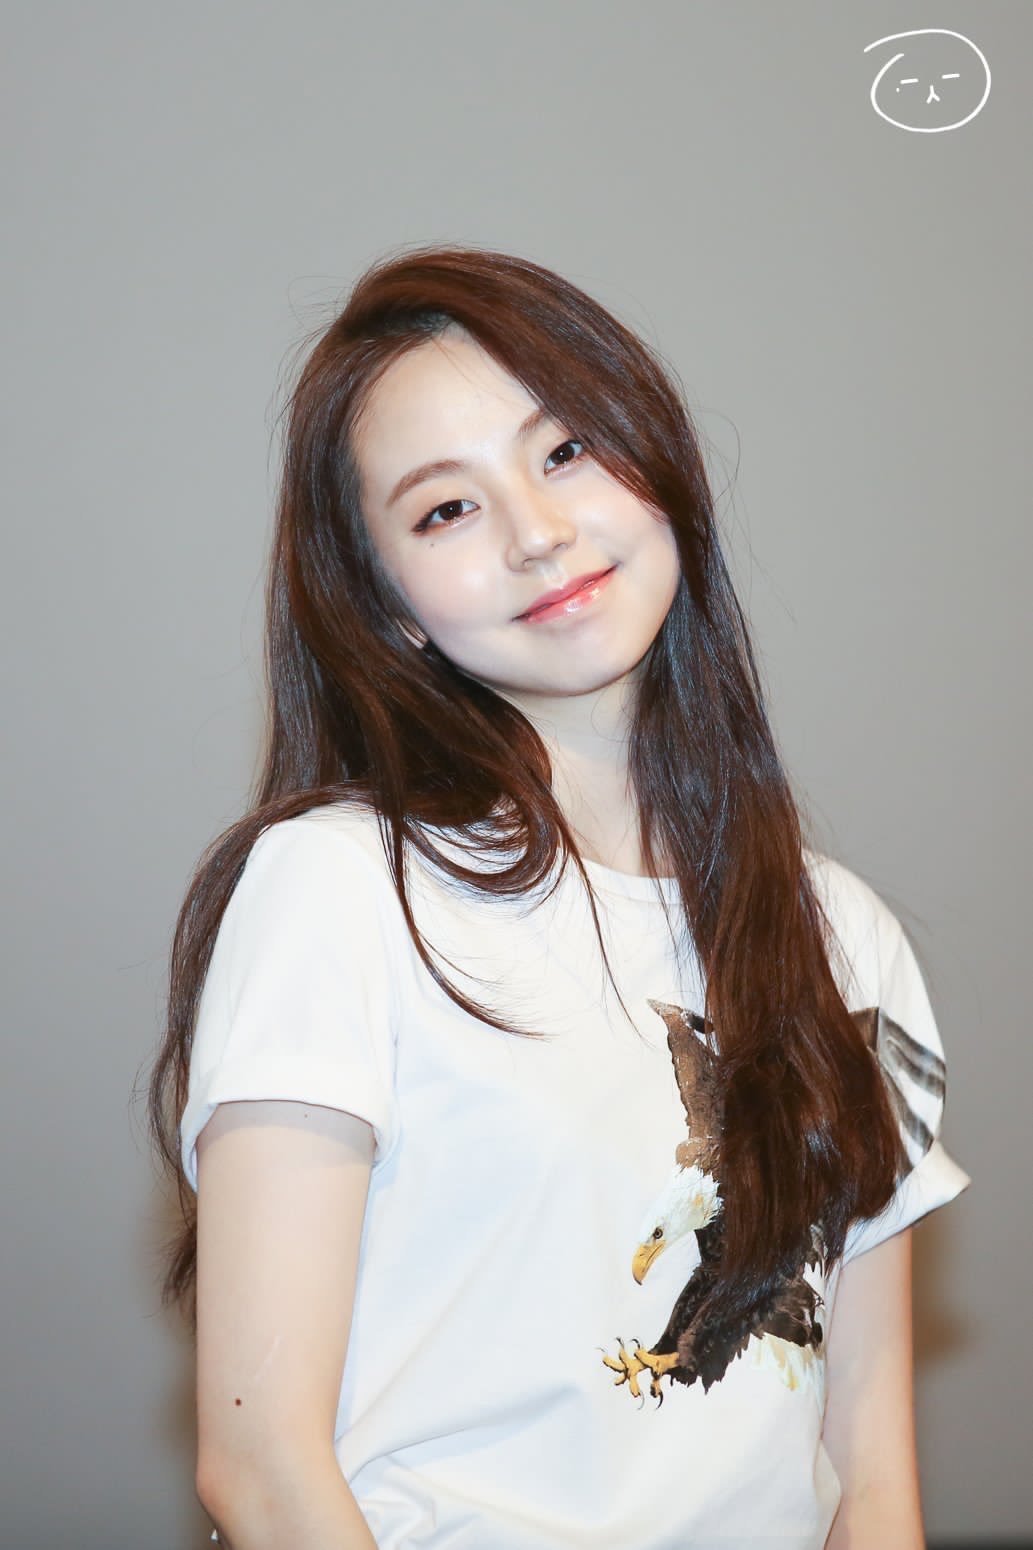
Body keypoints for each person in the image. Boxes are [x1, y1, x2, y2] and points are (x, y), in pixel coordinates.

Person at [147, 244, 971, 1550]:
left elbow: (871, 1484)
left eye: (566, 450)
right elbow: (260, 1469)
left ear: (657, 464)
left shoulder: (844, 937)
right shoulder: (337, 889)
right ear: (390, 605)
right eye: (444, 510)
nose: (536, 531)